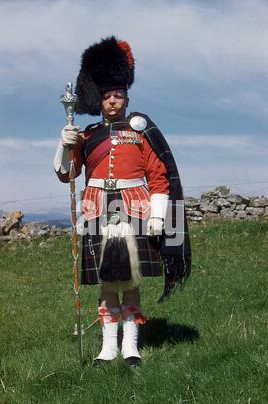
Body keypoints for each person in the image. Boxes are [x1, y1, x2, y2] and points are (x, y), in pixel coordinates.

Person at [54, 36, 191, 367]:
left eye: (118, 95)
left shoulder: (140, 130)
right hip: (97, 207)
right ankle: (107, 348)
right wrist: (65, 144)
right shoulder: (87, 134)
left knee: (129, 280)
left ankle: (131, 346)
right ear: (99, 100)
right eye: (107, 96)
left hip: (135, 207)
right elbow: (67, 174)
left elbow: (160, 177)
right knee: (106, 281)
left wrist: (159, 218)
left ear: (126, 97)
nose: (113, 101)